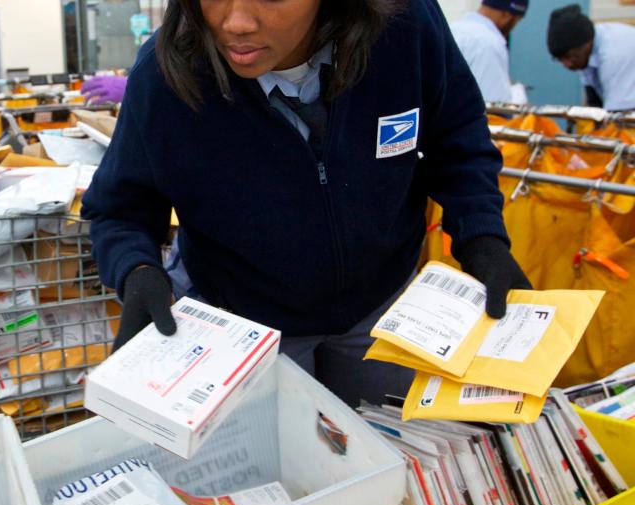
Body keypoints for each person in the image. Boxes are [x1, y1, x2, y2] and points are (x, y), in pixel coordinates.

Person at [82, 0, 530, 408]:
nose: (236, 23)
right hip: (249, 325)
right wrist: (137, 271)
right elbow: (121, 206)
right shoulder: (166, 75)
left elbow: (456, 133)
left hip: (382, 314)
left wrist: (480, 236)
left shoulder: (404, 25)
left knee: (389, 459)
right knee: (287, 476)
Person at [547, 4, 635, 112]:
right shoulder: (586, 52)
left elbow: (620, 118)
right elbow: (593, 103)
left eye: (568, 57)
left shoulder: (614, 55)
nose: (567, 64)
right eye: (559, 59)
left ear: (587, 44)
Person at [450, 0, 528, 104]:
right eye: (517, 20)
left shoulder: (451, 29)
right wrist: (517, 92)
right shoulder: (488, 43)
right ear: (507, 15)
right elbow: (493, 107)